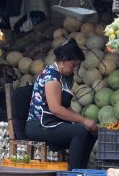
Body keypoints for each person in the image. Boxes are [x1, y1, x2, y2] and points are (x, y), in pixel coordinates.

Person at [25, 38, 98, 170]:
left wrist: (84, 122)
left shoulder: (62, 77)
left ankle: (81, 170)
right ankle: (74, 172)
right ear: (63, 61)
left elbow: (66, 108)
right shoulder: (51, 76)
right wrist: (83, 120)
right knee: (80, 131)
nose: (75, 69)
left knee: (90, 132)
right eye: (73, 65)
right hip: (38, 125)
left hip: (52, 123)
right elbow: (55, 109)